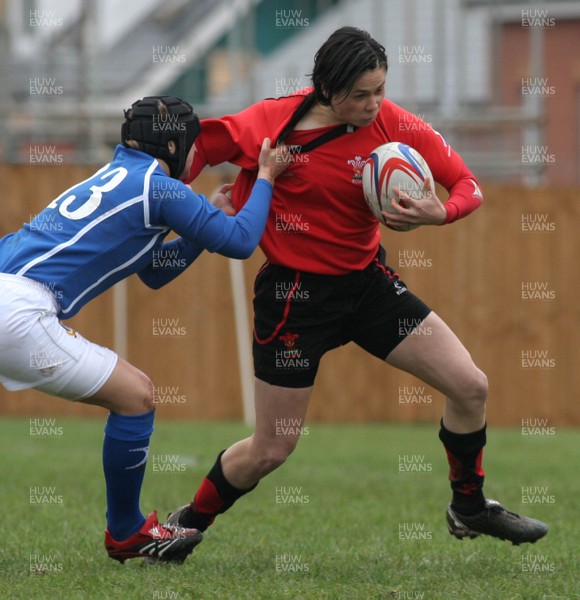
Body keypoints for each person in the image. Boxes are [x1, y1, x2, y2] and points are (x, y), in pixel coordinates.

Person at [165, 27, 548, 550]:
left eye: (380, 90)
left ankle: (470, 507)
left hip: (367, 285)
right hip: (293, 298)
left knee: (470, 386)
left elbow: (467, 185)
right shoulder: (274, 121)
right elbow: (200, 149)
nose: (374, 105)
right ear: (326, 87)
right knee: (271, 449)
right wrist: (171, 202)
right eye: (361, 94)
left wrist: (442, 211)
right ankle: (186, 523)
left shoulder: (393, 122)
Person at [0, 95, 286, 564]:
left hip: (8, 291)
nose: (198, 156)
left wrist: (196, 229)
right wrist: (268, 178)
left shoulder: (117, 174)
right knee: (137, 397)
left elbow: (152, 270)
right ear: (174, 144)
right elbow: (240, 240)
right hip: (18, 311)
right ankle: (126, 531)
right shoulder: (162, 188)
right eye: (194, 146)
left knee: (132, 396)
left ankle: (126, 530)